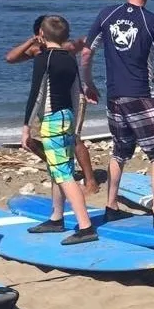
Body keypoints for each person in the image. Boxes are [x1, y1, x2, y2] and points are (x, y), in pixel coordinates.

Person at [81, 0, 154, 229]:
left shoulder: (107, 15)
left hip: (115, 95)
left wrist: (87, 83)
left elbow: (87, 53)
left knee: (120, 150)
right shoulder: (152, 21)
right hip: (141, 94)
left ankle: (111, 204)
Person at [21, 15, 98, 244]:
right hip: (67, 117)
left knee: (63, 174)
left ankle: (85, 227)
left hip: (53, 121)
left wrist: (26, 127)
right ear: (65, 36)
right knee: (57, 169)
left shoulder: (43, 59)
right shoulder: (68, 58)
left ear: (41, 35)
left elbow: (36, 94)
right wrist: (74, 124)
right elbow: (77, 92)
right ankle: (56, 218)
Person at [6, 15, 100, 195]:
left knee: (75, 139)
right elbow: (10, 58)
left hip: (72, 98)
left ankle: (91, 181)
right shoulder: (38, 50)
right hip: (49, 103)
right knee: (31, 142)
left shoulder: (65, 47)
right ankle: (59, 167)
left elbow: (83, 43)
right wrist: (31, 41)